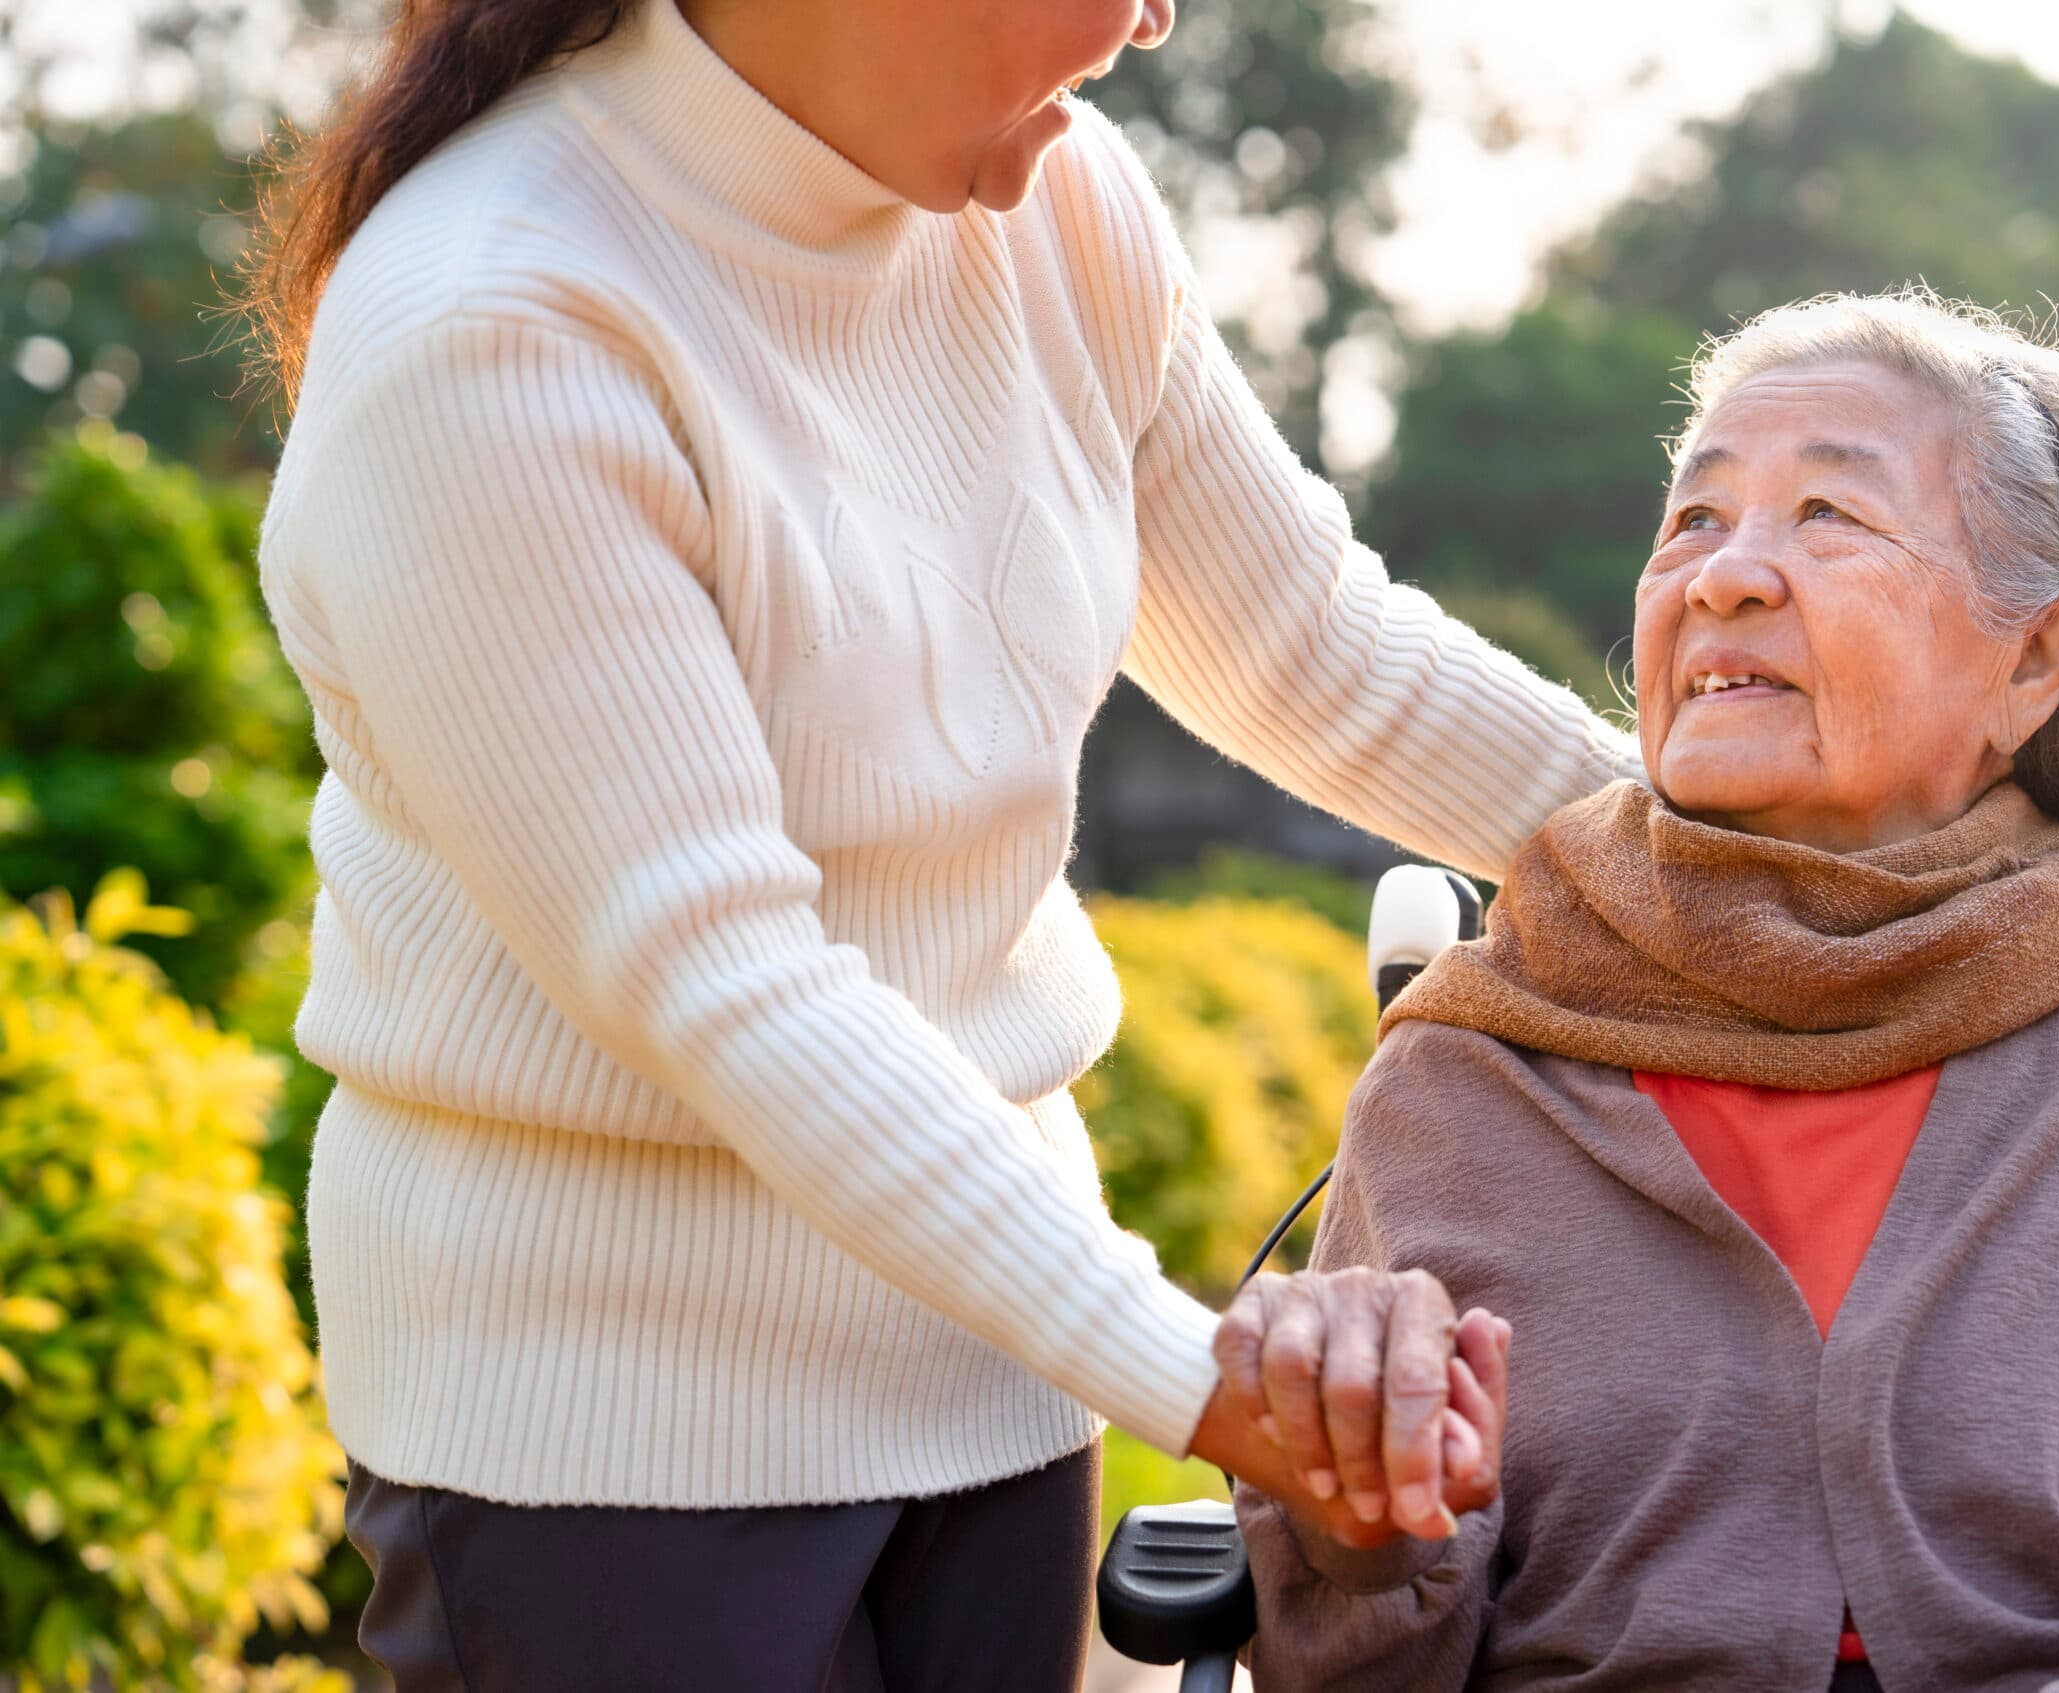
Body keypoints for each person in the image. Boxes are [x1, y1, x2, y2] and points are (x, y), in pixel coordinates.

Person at [239, 0, 1606, 1682]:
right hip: (604, 1459)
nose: (1159, 14)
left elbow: (1314, 646)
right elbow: (730, 982)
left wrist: (1769, 853)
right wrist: (1197, 1372)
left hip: (992, 1391)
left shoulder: (1059, 207)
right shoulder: (493, 320)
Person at [1233, 290, 2059, 1691]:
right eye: (1694, 520)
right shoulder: (1469, 1082)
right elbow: (1353, 1664)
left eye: (1827, 517)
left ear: (2031, 660)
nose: (1724, 576)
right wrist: (1361, 1538)